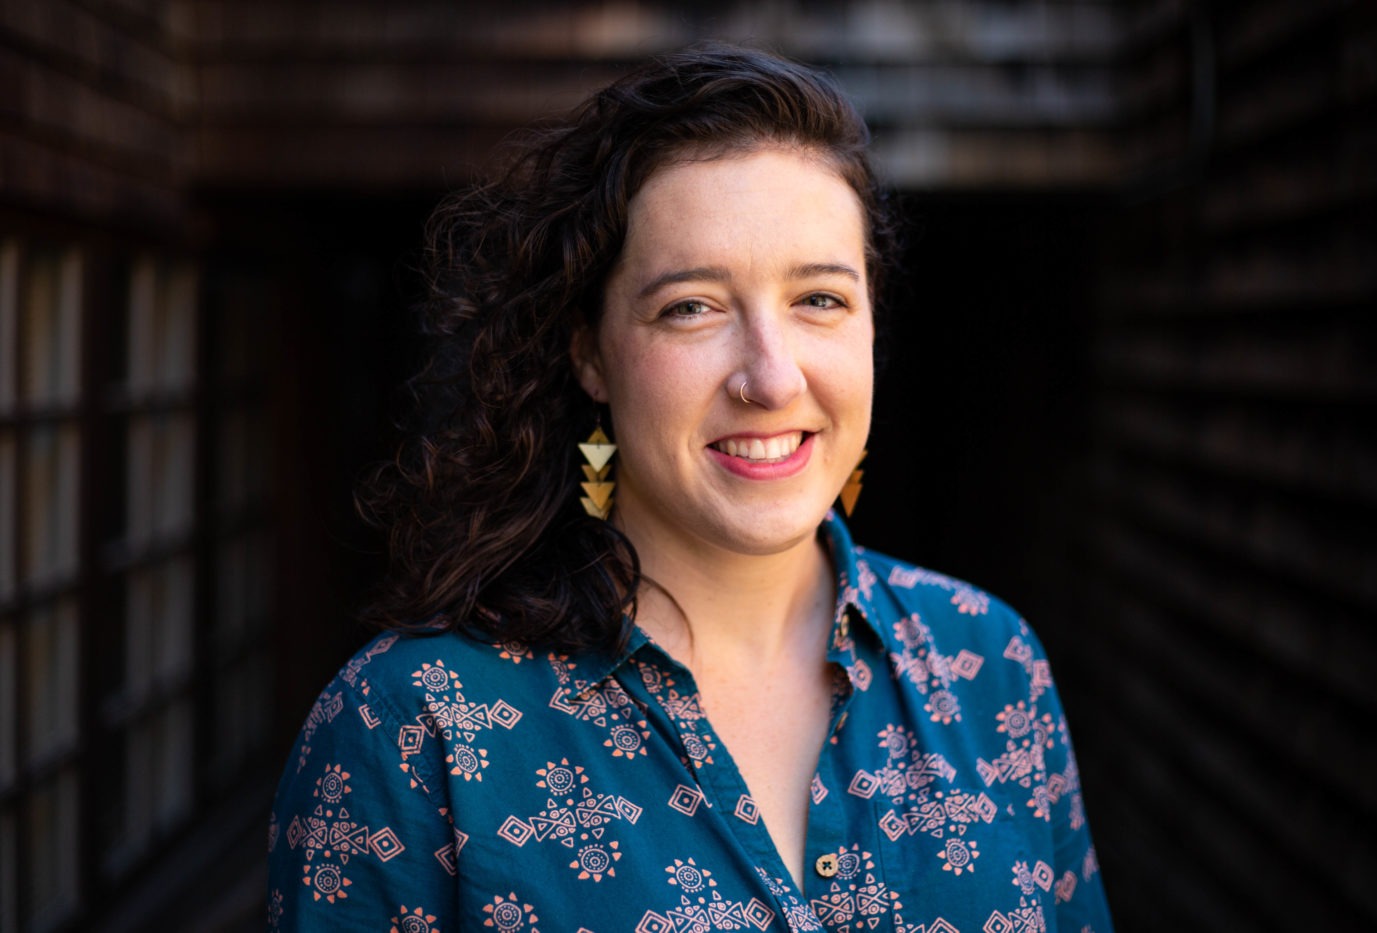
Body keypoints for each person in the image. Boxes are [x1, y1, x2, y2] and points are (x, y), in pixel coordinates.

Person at [266, 43, 1114, 933]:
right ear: (588, 352)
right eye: (692, 307)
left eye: (819, 299)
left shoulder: (992, 667)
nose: (771, 378)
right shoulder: (412, 729)